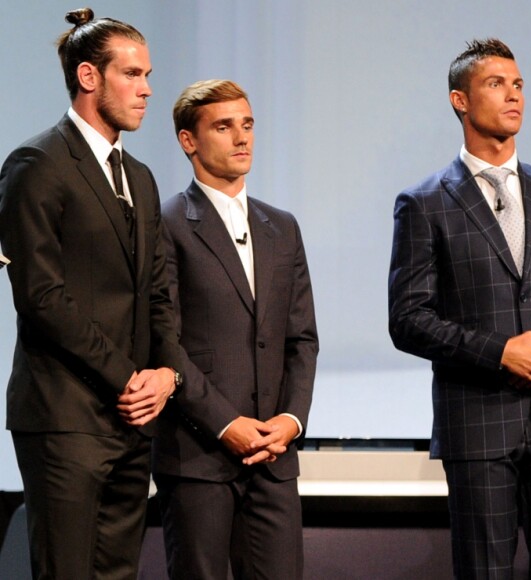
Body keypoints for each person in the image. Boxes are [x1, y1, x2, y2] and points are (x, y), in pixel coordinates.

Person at [388, 38, 531, 578]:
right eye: (496, 84)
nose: (513, 95)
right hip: (477, 427)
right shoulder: (424, 203)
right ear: (460, 101)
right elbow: (408, 319)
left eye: (518, 84)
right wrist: (501, 354)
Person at [0, 8, 181, 579]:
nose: (147, 89)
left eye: (147, 75)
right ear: (88, 77)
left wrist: (164, 373)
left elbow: (159, 291)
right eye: (132, 74)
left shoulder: (143, 177)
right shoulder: (38, 164)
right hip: (64, 417)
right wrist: (126, 376)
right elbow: (42, 297)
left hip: (131, 421)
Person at [152, 79, 319, 579]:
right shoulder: (166, 223)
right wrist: (226, 424)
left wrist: (290, 420)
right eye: (223, 126)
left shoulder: (281, 226)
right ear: (189, 141)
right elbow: (165, 342)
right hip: (198, 457)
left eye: (246, 125)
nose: (241, 137)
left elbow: (301, 338)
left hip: (273, 457)